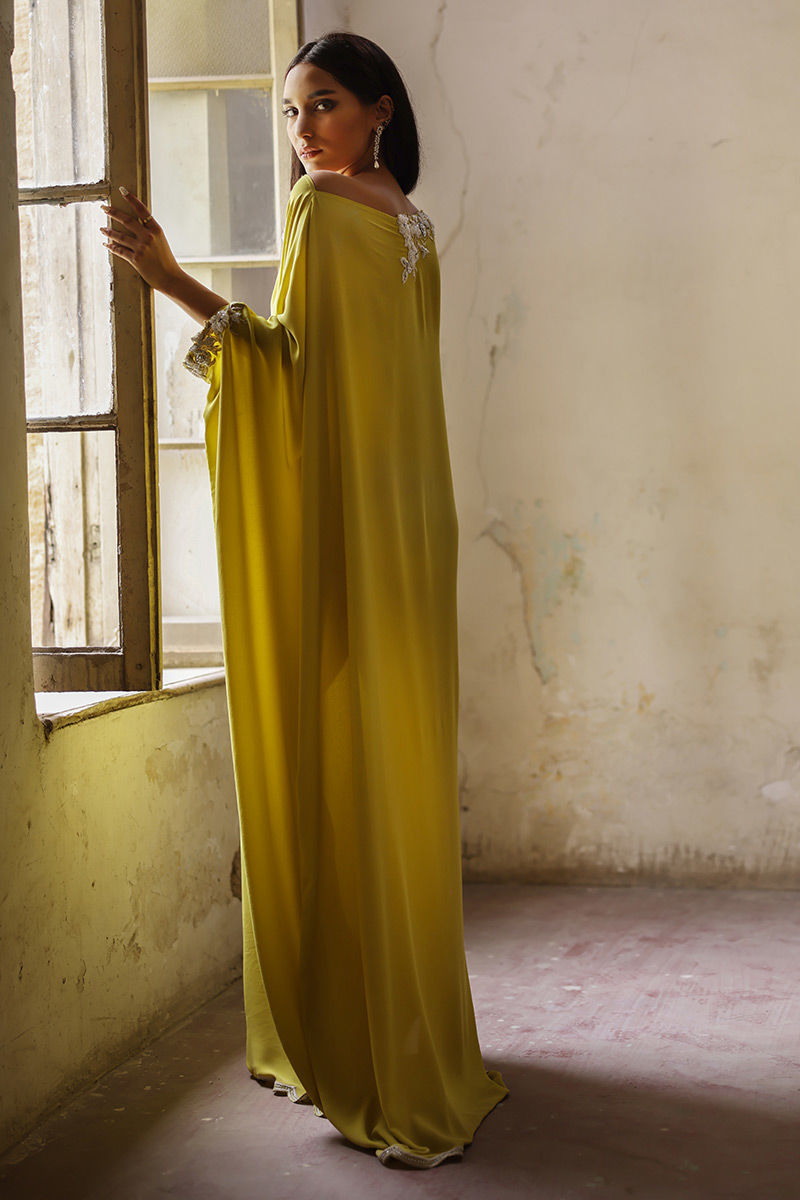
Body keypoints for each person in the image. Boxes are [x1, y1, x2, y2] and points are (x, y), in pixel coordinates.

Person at [99, 29, 510, 1169]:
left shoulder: (324, 212)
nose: (301, 132)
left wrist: (170, 279)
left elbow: (286, 369)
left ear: (379, 109)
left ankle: (373, 1050)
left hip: (352, 526)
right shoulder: (407, 219)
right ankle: (408, 1036)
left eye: (322, 104)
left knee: (343, 756)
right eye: (290, 112)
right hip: (411, 526)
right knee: (395, 767)